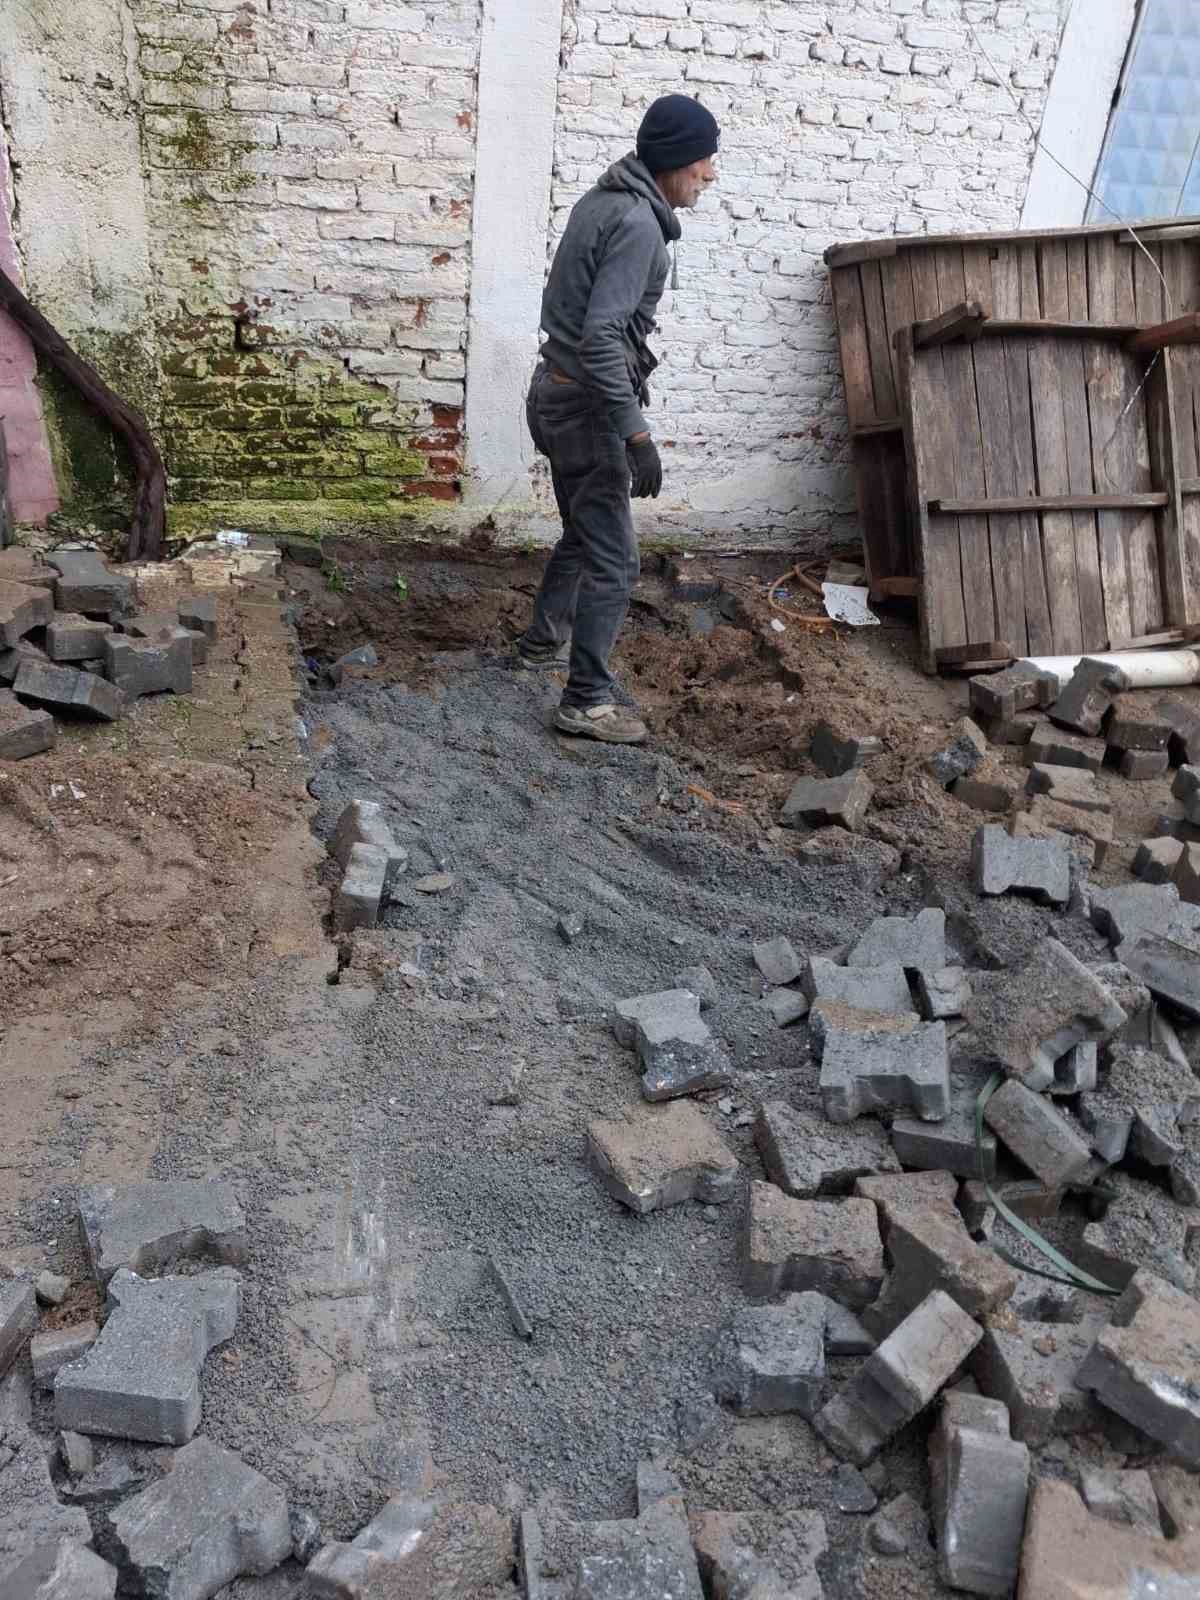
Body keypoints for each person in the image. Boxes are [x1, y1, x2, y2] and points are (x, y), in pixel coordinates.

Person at [517, 93, 720, 744]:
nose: (710, 174)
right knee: (616, 561)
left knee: (584, 534)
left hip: (551, 390)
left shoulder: (598, 201)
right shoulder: (637, 225)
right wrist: (636, 435)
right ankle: (585, 702)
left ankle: (540, 646)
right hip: (587, 408)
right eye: (703, 160)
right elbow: (604, 338)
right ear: (673, 162)